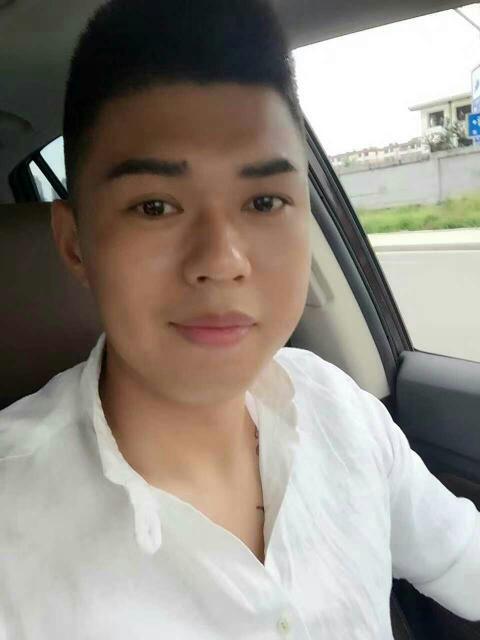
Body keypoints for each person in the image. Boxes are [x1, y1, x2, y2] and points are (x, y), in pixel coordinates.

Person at [0, 0, 479, 637]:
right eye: (154, 206)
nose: (221, 261)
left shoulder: (343, 413)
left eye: (264, 201)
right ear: (75, 245)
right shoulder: (14, 527)